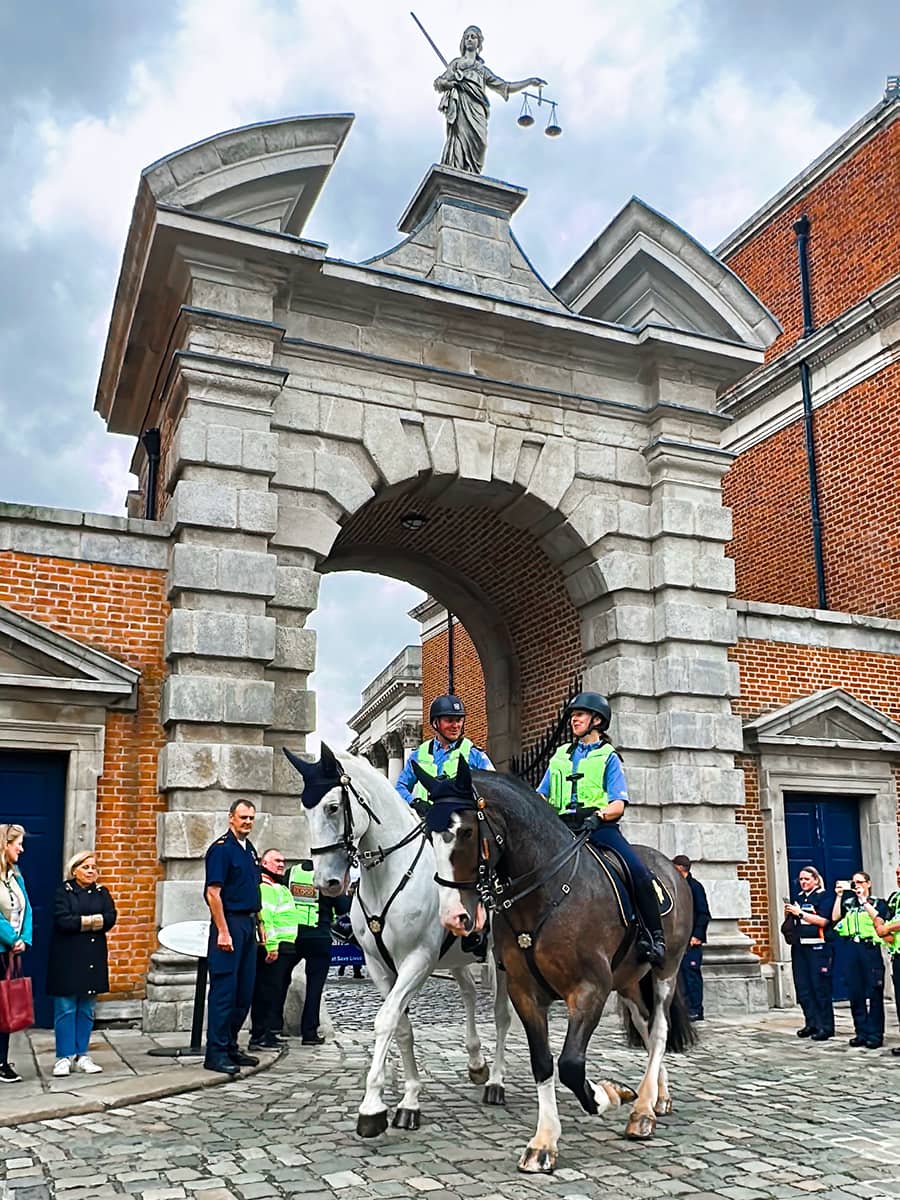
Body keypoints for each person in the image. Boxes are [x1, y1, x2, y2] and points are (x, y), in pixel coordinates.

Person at [537, 691, 666, 967]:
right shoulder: (559, 756)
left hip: (599, 828)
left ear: (596, 719)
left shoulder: (609, 757)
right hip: (562, 828)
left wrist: (599, 815)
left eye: (579, 715)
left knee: (638, 872)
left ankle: (653, 935)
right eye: (572, 716)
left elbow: (618, 803)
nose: (574, 720)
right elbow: (541, 795)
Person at [434, 25, 546, 174]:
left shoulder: (482, 71)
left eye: (473, 37)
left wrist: (529, 82)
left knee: (481, 144)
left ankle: (472, 176)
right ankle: (457, 172)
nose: (469, 39)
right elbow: (439, 82)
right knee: (459, 141)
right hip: (461, 105)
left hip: (477, 110)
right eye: (466, 37)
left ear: (479, 43)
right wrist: (452, 82)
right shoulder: (456, 64)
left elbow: (505, 86)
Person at [46, 850, 117, 1076]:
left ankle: (82, 1054)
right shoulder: (63, 892)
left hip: (92, 957)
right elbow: (64, 921)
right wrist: (94, 921)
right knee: (66, 1008)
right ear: (74, 869)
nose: (91, 871)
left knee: (87, 1008)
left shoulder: (102, 892)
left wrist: (83, 922)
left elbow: (110, 918)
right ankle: (64, 1057)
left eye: (94, 867)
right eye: (86, 867)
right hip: (67, 957)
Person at [203, 799, 261, 1075]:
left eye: (251, 818)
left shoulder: (249, 850)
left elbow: (253, 890)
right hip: (229, 924)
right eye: (243, 817)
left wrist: (260, 923)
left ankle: (230, 1045)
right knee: (224, 992)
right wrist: (223, 931)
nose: (247, 822)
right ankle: (215, 1052)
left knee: (244, 991)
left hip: (248, 924)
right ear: (231, 818)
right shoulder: (221, 850)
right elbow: (213, 894)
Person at [395, 694, 494, 808]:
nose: (455, 725)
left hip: (462, 822)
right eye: (449, 720)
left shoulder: (475, 755)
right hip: (426, 820)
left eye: (459, 720)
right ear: (435, 723)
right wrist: (414, 802)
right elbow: (400, 788)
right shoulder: (418, 755)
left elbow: (494, 787)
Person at [248, 848, 298, 1051]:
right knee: (266, 992)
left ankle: (268, 1033)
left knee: (275, 992)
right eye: (276, 860)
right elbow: (265, 919)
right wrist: (271, 946)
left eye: (283, 861)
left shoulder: (277, 886)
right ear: (264, 863)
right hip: (275, 948)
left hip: (284, 947)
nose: (281, 864)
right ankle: (260, 1035)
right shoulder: (267, 887)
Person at [832, 871, 889, 1049]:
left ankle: (875, 1034)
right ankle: (861, 1032)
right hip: (851, 948)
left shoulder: (879, 902)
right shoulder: (849, 903)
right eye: (854, 882)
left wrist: (864, 901)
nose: (857, 885)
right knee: (855, 991)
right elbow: (835, 918)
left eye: (860, 882)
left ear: (868, 884)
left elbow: (879, 919)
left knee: (874, 991)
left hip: (869, 948)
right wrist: (839, 896)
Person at [285, 859, 338, 1045]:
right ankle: (309, 1032)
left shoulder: (291, 873)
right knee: (315, 988)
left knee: (280, 981)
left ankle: (272, 1027)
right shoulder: (328, 875)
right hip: (319, 936)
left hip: (294, 934)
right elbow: (341, 907)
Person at [782, 865, 834, 1041]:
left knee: (819, 987)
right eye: (801, 879)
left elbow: (823, 921)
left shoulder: (824, 897)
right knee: (803, 987)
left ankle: (825, 1026)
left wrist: (801, 913)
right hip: (800, 947)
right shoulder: (798, 898)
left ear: (816, 880)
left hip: (817, 947)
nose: (803, 882)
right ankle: (811, 1023)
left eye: (807, 879)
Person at [0, 824, 32, 1084]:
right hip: (3, 947)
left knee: (5, 1007)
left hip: (11, 953)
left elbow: (27, 909)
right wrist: (12, 939)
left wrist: (25, 939)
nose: (21, 848)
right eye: (17, 843)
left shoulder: (16, 876)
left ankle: (2, 1061)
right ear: (4, 845)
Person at [672, 855, 710, 1022]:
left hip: (692, 942)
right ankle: (685, 1008)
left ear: (681, 869)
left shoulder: (694, 887)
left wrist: (697, 935)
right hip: (679, 941)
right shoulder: (677, 888)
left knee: (691, 975)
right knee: (680, 976)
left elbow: (703, 913)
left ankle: (695, 1009)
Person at [873, 862, 900, 1057]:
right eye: (897, 873)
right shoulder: (895, 897)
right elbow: (883, 915)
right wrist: (880, 926)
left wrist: (887, 929)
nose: (899, 877)